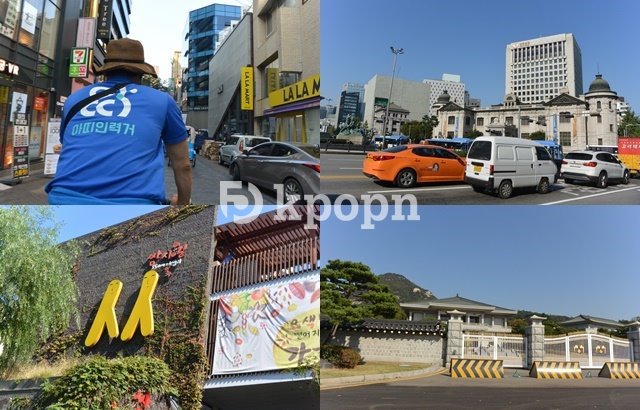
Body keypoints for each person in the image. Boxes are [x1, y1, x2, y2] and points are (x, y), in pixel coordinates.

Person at [45, 38, 191, 205]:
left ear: (106, 72)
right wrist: (182, 204)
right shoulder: (162, 101)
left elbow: (68, 144)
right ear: (141, 74)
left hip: (64, 200)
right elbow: (182, 164)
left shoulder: (74, 99)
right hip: (131, 207)